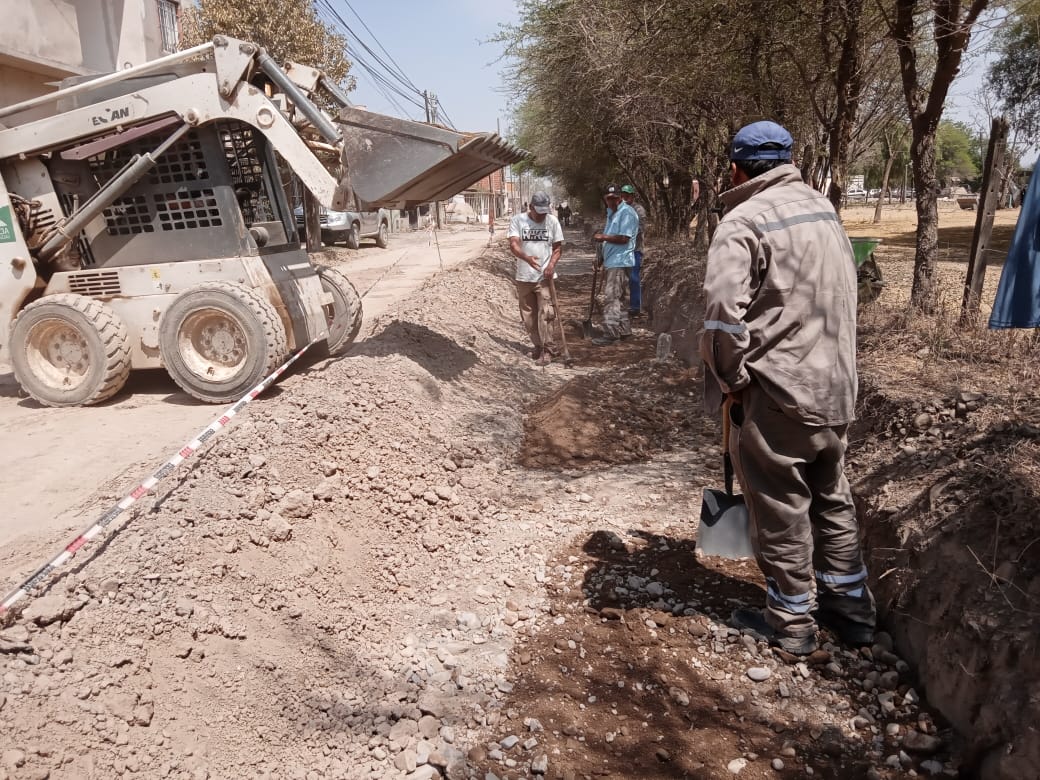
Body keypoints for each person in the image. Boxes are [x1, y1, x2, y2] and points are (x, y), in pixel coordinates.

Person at [700, 120, 875, 656]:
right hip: (837, 388)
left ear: (735, 167)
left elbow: (723, 319)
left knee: (781, 505)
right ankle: (853, 612)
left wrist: (730, 378)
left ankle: (791, 621)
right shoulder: (824, 210)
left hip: (778, 391)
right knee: (831, 496)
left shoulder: (743, 221)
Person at [508, 191, 564, 365]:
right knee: (529, 316)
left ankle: (548, 349)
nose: (541, 215)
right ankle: (538, 346)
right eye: (538, 211)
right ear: (530, 207)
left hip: (544, 277)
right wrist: (526, 258)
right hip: (524, 277)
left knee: (546, 313)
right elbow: (513, 244)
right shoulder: (518, 220)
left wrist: (551, 265)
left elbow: (557, 248)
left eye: (544, 211)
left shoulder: (552, 221)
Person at [592, 183, 638, 345]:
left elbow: (624, 238)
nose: (611, 202)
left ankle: (611, 334)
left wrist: (603, 237)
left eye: (614, 198)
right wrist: (601, 258)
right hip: (613, 261)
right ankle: (624, 330)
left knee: (611, 298)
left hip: (620, 261)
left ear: (620, 198)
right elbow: (611, 238)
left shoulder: (626, 213)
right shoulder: (612, 212)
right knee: (619, 299)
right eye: (609, 199)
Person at [620, 185, 647, 317]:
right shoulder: (619, 209)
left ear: (632, 196)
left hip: (635, 249)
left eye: (628, 195)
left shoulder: (639, 210)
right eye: (623, 195)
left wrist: (625, 235)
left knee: (634, 278)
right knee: (620, 278)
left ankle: (635, 306)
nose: (625, 198)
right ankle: (621, 305)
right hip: (620, 249)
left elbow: (640, 229)